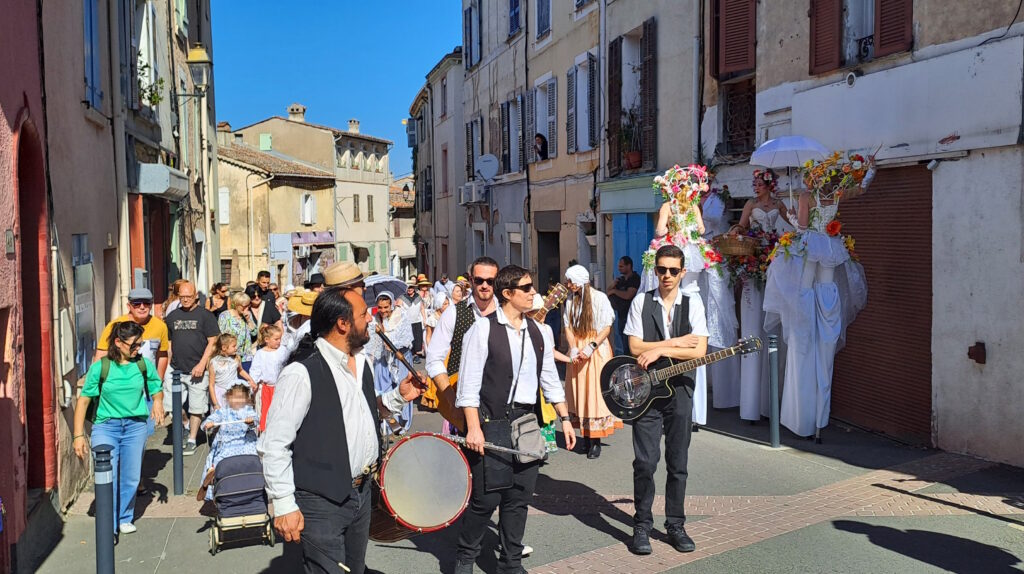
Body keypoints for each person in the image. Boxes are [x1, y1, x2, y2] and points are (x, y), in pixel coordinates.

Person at [259, 287, 422, 574]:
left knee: (354, 570)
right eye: (363, 315)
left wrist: (398, 396)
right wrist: (283, 504)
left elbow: (361, 413)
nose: (371, 319)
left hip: (360, 494)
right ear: (343, 324)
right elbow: (274, 444)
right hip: (321, 501)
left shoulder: (362, 362)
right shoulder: (301, 373)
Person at [454, 265, 576, 573]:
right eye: (527, 288)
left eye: (532, 287)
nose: (534, 292)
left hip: (526, 421)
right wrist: (473, 428)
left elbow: (549, 378)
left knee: (519, 497)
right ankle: (465, 557)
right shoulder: (482, 329)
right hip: (490, 421)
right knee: (486, 500)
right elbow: (468, 386)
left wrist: (565, 418)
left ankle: (510, 563)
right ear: (508, 294)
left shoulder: (540, 331)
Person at [764, 153, 874, 438]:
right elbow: (861, 189)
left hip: (812, 244)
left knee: (803, 285)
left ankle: (804, 317)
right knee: (826, 286)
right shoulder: (835, 194)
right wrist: (870, 171)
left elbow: (801, 228)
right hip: (830, 246)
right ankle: (827, 318)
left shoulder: (805, 196)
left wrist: (789, 216)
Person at [623, 245, 709, 556]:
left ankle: (676, 525)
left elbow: (699, 352)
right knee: (645, 463)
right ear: (655, 270)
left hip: (681, 390)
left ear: (683, 272)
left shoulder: (694, 303)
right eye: (662, 270)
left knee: (678, 463)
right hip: (646, 390)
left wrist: (659, 349)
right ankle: (642, 525)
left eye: (673, 270)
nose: (667, 276)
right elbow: (634, 346)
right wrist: (675, 343)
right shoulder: (642, 301)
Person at [73, 321, 165, 536]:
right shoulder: (101, 367)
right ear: (118, 342)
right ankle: (109, 521)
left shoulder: (142, 364)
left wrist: (158, 401)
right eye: (134, 345)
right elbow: (84, 401)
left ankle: (124, 517)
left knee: (131, 476)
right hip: (107, 427)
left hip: (135, 426)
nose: (138, 349)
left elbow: (155, 386)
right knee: (107, 475)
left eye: (140, 344)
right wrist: (78, 435)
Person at [725, 169, 793, 421]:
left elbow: (793, 222)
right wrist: (736, 232)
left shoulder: (779, 204)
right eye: (753, 183)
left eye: (757, 183)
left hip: (771, 260)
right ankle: (751, 405)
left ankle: (768, 402)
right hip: (753, 258)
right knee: (753, 322)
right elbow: (741, 226)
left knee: (770, 323)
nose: (754, 187)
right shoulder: (750, 204)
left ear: (768, 184)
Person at [425, 257, 500, 432]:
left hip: (498, 405)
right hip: (461, 401)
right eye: (479, 280)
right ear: (471, 280)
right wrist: (451, 399)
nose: (484, 285)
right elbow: (434, 359)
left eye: (490, 281)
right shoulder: (453, 313)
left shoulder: (505, 313)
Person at [563, 265, 621, 459]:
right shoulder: (571, 300)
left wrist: (591, 347)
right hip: (578, 348)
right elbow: (568, 326)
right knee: (579, 392)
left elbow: (606, 326)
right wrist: (573, 347)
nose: (568, 285)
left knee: (594, 393)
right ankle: (585, 437)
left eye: (571, 281)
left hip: (595, 348)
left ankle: (595, 441)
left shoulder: (599, 298)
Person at [164, 281, 221, 456]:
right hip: (175, 369)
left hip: (198, 368)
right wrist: (168, 365)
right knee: (172, 405)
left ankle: (192, 439)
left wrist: (202, 363)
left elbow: (213, 341)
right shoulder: (173, 316)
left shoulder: (205, 316)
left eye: (189, 296)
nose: (186, 300)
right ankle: (186, 423)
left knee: (197, 407)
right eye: (182, 297)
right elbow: (170, 343)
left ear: (196, 295)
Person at [198, 383, 259, 501]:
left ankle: (249, 486)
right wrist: (208, 424)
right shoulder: (223, 411)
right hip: (226, 444)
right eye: (234, 397)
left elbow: (255, 420)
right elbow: (212, 419)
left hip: (243, 443)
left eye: (241, 397)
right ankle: (212, 478)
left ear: (246, 399)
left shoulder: (248, 411)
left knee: (251, 459)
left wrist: (250, 421)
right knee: (218, 459)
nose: (237, 400)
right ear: (228, 398)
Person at [366, 292, 415, 434]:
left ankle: (403, 422)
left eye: (386, 307)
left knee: (403, 388)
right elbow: (372, 345)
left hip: (401, 359)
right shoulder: (374, 321)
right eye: (380, 307)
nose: (383, 310)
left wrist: (393, 343)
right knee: (383, 390)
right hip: (382, 360)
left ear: (391, 305)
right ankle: (389, 425)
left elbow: (407, 339)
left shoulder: (402, 317)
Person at [95, 287, 169, 380]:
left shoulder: (160, 326)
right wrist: (97, 381)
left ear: (151, 305)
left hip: (147, 383)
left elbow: (162, 354)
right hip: (119, 381)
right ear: (129, 306)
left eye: (146, 303)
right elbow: (101, 354)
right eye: (137, 304)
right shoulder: (115, 325)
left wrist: (158, 380)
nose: (142, 307)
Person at [250, 324, 290, 431]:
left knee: (280, 410)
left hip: (281, 387)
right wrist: (252, 384)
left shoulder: (283, 350)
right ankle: (264, 433)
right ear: (267, 339)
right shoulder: (260, 354)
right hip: (266, 388)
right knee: (266, 410)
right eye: (276, 339)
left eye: (280, 339)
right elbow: (255, 370)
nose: (279, 341)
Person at [209, 333, 256, 411]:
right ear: (224, 347)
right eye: (233, 346)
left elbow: (240, 371)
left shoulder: (236, 359)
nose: (236, 348)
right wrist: (215, 403)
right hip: (220, 394)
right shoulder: (214, 362)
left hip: (233, 392)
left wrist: (251, 380)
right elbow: (211, 384)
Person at [606, 256, 641, 354]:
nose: (619, 268)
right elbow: (608, 292)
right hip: (621, 315)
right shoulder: (620, 280)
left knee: (629, 345)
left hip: (630, 316)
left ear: (629, 266)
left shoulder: (634, 279)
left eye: (621, 266)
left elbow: (628, 295)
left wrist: (614, 291)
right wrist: (613, 285)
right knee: (623, 342)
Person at [218, 292, 258, 371]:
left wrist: (248, 320)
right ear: (236, 304)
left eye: (248, 305)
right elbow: (222, 337)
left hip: (247, 357)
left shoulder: (248, 315)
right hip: (231, 357)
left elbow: (254, 333)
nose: (246, 308)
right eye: (244, 306)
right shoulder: (225, 316)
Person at [400, 282, 426, 363]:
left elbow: (422, 308)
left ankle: (416, 355)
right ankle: (410, 355)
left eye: (411, 287)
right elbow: (399, 309)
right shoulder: (402, 297)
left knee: (417, 339)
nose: (409, 289)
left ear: (414, 288)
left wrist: (424, 319)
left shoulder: (418, 297)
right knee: (409, 340)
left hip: (417, 321)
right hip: (407, 322)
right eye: (408, 287)